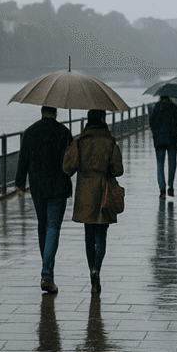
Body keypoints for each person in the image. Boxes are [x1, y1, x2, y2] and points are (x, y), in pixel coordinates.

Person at [62, 109, 123, 295]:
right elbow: (118, 169)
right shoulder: (110, 141)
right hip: (103, 191)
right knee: (101, 236)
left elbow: (67, 168)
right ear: (104, 119)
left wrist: (69, 149)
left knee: (89, 235)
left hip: (85, 192)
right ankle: (97, 268)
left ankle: (91, 271)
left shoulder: (80, 141)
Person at [14, 106, 73, 293]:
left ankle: (47, 271)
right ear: (55, 112)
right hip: (58, 187)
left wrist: (20, 184)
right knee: (53, 229)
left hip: (38, 187)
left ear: (41, 111)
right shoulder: (64, 132)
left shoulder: (30, 132)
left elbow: (23, 158)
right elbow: (71, 161)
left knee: (42, 226)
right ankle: (47, 274)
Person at [149, 96, 177, 198]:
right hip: (171, 139)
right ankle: (171, 185)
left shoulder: (156, 107)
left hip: (159, 140)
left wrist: (156, 133)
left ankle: (162, 189)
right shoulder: (174, 107)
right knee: (172, 163)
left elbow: (151, 122)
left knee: (160, 164)